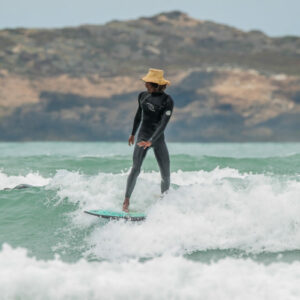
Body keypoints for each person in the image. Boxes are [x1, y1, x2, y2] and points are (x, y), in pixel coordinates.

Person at [122, 68, 174, 212]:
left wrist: (151, 141)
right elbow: (139, 115)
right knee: (136, 168)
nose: (145, 85)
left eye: (148, 84)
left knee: (165, 173)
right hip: (143, 136)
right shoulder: (143, 96)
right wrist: (133, 133)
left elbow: (163, 124)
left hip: (157, 139)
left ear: (156, 85)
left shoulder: (167, 100)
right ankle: (126, 202)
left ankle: (165, 202)